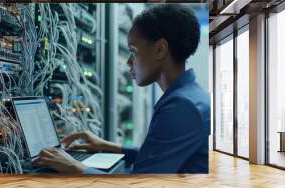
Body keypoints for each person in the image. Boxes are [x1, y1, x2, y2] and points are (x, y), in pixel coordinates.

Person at [34, 4, 210, 174]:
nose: (129, 62)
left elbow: (138, 187)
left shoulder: (181, 106)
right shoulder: (189, 97)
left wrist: (73, 166)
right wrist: (105, 146)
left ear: (160, 49)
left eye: (133, 51)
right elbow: (157, 155)